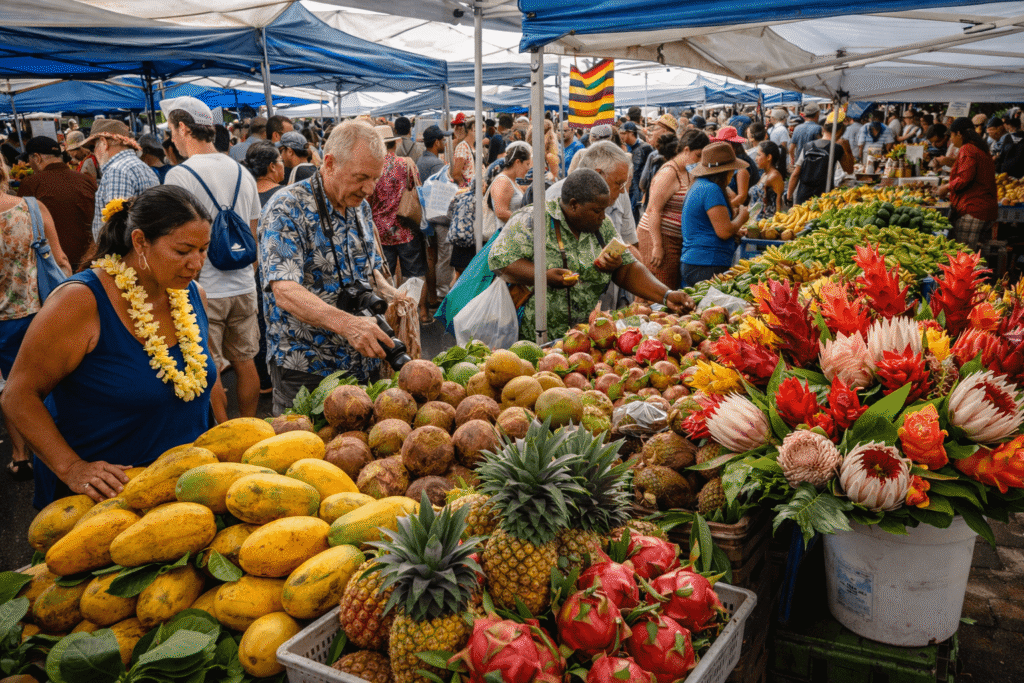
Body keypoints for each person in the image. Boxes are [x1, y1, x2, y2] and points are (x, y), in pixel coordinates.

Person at [1, 185, 215, 507]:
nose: (196, 263)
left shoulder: (191, 293)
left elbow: (207, 383)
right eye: (183, 251)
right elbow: (18, 396)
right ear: (140, 241)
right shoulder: (79, 302)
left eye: (204, 249)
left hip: (186, 489)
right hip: (107, 503)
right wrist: (72, 468)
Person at [260, 120, 394, 415]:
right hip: (308, 368)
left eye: (375, 178)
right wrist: (348, 325)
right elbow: (284, 290)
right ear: (330, 163)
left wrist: (391, 294)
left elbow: (368, 270)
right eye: (361, 177)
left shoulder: (360, 205)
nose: (369, 189)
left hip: (362, 361)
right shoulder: (286, 207)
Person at [490, 169, 694, 340]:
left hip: (583, 337)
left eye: (605, 209)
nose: (603, 216)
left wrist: (665, 295)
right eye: (597, 210)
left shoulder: (601, 226)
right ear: (573, 205)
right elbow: (500, 260)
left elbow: (628, 269)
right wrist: (544, 276)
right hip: (535, 336)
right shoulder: (533, 219)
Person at [161, 96, 261, 423]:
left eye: (172, 129)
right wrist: (247, 273)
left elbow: (176, 240)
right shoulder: (242, 172)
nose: (170, 137)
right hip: (244, 284)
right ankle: (250, 428)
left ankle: (228, 433)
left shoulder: (179, 176)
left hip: (204, 288)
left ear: (184, 127)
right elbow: (253, 232)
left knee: (210, 366)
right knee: (246, 363)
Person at [0, 161, 71, 482]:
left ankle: (20, 454)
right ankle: (58, 449)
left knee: (10, 389)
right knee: (43, 384)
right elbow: (60, 261)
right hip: (36, 314)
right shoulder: (30, 208)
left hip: (3, 323)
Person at [637, 129, 711, 290]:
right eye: (698, 155)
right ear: (686, 150)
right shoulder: (668, 173)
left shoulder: (689, 172)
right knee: (659, 290)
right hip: (657, 236)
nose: (699, 161)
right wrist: (657, 245)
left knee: (669, 287)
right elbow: (653, 210)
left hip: (674, 238)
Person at [243, 141, 287, 397]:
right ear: (272, 167)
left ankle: (265, 381)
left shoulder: (245, 194)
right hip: (283, 272)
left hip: (253, 271)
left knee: (260, 325)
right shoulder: (287, 195)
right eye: (280, 162)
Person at [17, 136, 97, 272]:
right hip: (90, 260)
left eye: (29, 160)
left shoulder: (31, 183)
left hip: (53, 264)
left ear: (37, 158)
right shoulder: (86, 180)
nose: (29, 164)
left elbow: (22, 226)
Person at [679, 142, 751, 287]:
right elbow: (724, 232)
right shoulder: (711, 189)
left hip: (697, 262)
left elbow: (710, 226)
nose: (733, 174)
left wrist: (735, 231)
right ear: (724, 172)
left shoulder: (699, 185)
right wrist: (741, 218)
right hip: (706, 264)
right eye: (732, 170)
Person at [547, 141, 638, 250]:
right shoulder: (556, 196)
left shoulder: (620, 194)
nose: (623, 191)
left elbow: (630, 241)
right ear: (598, 174)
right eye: (618, 183)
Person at [85, 119, 159, 240]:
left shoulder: (117, 171)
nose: (94, 152)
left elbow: (117, 230)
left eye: (94, 146)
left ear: (104, 143)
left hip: (123, 255)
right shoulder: (143, 167)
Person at [369, 124, 423, 285]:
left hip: (380, 232)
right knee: (414, 276)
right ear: (394, 144)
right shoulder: (406, 163)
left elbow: (367, 198)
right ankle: (418, 309)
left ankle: (391, 308)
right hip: (406, 227)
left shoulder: (372, 167)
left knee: (385, 277)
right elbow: (418, 189)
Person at [935, 117, 998, 250]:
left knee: (964, 254)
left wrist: (946, 187)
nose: (951, 139)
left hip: (974, 208)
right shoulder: (978, 147)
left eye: (951, 135)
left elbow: (965, 178)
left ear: (959, 133)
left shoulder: (968, 149)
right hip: (984, 207)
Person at [417, 125, 453, 305]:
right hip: (437, 216)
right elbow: (444, 193)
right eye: (443, 140)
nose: (445, 143)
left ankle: (432, 295)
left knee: (431, 257)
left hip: (424, 217)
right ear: (437, 142)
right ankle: (440, 294)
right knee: (442, 258)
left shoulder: (420, 160)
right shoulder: (437, 164)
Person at [788, 113, 852, 206]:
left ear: (823, 130)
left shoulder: (808, 146)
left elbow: (795, 174)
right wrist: (847, 149)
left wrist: (789, 196)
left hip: (803, 195)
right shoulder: (837, 148)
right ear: (840, 131)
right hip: (823, 197)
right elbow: (849, 170)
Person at [485, 141, 531, 235]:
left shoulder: (511, 181)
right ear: (518, 162)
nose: (528, 168)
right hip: (506, 237)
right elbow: (501, 212)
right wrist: (526, 221)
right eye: (527, 164)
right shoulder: (503, 181)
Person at [715, 127, 759, 208]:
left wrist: (723, 209)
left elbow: (742, 197)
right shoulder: (733, 160)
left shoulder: (741, 166)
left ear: (730, 145)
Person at [621, 121, 653, 222]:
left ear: (631, 133)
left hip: (641, 191)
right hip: (629, 189)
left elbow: (650, 172)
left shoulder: (646, 148)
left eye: (623, 133)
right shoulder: (626, 149)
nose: (621, 136)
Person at [749, 141, 786, 222]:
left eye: (759, 155)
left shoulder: (775, 176)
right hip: (756, 220)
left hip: (766, 223)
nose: (756, 158)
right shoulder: (764, 174)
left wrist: (774, 226)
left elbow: (778, 205)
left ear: (769, 157)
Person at [451, 113, 473, 187]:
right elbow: (456, 174)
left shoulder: (468, 144)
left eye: (460, 125)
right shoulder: (462, 146)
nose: (457, 128)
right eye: (455, 125)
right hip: (467, 188)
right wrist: (465, 187)